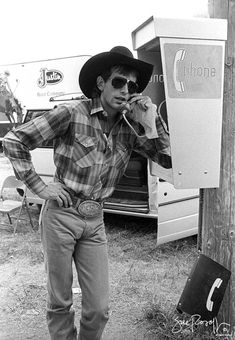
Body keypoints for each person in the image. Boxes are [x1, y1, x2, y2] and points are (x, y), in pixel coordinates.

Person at [3, 46, 172, 340]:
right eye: (119, 81)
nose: (125, 90)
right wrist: (40, 187)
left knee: (99, 308)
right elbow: (14, 139)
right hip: (60, 218)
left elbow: (168, 160)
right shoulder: (71, 113)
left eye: (132, 85)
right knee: (60, 300)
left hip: (95, 222)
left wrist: (152, 123)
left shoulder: (131, 127)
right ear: (100, 83)